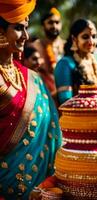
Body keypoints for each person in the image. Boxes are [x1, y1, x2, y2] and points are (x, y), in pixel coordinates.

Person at [0, 0, 61, 199]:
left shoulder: (32, 78)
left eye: (26, 28)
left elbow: (51, 131)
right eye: (18, 28)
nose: (25, 36)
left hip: (39, 186)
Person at [54, 19, 97, 105]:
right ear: (74, 39)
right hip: (78, 117)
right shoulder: (65, 64)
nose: (91, 42)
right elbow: (65, 102)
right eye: (85, 37)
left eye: (94, 36)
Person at [30, 7, 65, 98]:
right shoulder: (35, 47)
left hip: (66, 96)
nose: (54, 26)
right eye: (50, 22)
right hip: (43, 97)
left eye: (57, 22)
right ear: (43, 26)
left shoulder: (67, 46)